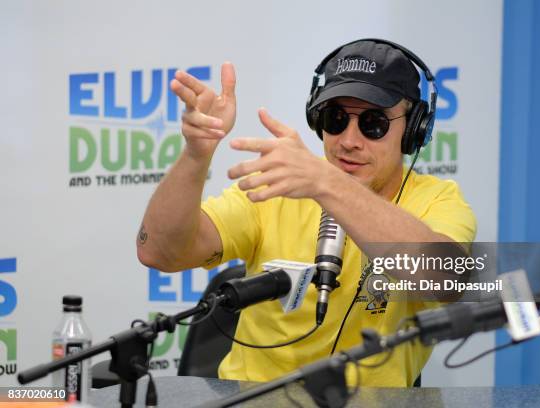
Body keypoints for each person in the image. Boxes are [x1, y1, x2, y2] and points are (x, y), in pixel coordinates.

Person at [137, 39, 476, 387]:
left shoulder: (438, 201)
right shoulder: (278, 185)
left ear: (415, 129)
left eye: (373, 123)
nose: (348, 140)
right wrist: (196, 155)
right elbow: (159, 251)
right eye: (336, 119)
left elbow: (444, 280)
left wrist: (327, 184)